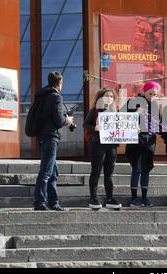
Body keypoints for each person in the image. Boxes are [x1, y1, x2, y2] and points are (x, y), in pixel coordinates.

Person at [34, 71, 74, 211]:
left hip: (42, 136)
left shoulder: (42, 96)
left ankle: (53, 202)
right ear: (59, 83)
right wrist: (67, 121)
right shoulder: (56, 97)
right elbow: (58, 119)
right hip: (51, 137)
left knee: (53, 172)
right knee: (46, 171)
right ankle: (39, 202)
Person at [83, 88, 122, 210]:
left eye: (111, 96)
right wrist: (95, 127)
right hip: (97, 144)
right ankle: (93, 198)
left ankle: (109, 198)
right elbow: (85, 124)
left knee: (109, 173)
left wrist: (132, 130)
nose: (109, 98)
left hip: (112, 145)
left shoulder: (116, 112)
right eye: (107, 96)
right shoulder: (94, 110)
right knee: (96, 171)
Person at [126, 81, 161, 207]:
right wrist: (136, 113)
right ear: (144, 91)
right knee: (137, 168)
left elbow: (159, 124)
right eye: (150, 93)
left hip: (149, 142)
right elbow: (121, 117)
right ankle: (134, 198)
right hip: (135, 141)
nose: (152, 96)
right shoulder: (133, 102)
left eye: (154, 94)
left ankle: (145, 198)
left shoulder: (155, 106)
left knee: (146, 169)